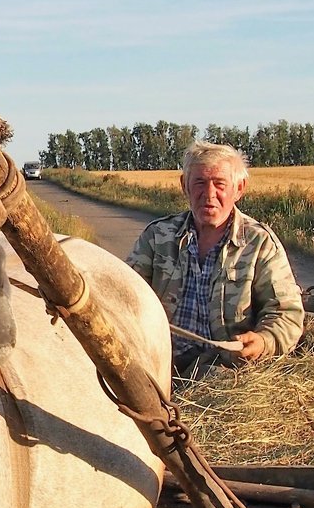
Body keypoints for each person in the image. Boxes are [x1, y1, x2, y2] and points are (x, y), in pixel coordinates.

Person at [127, 141, 304, 375]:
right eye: (199, 182)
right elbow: (125, 294)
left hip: (226, 376)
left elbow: (287, 314)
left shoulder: (258, 243)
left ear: (239, 188)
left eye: (219, 184)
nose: (209, 194)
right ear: (184, 186)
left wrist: (263, 341)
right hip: (157, 367)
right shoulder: (158, 237)